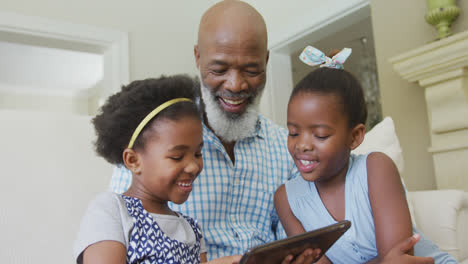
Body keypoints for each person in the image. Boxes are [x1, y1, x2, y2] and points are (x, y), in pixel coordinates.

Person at [111, 1, 453, 263]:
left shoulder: (285, 148)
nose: (236, 84)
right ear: (198, 58)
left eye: (251, 69)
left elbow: (340, 205)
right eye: (220, 68)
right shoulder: (152, 145)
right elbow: (124, 235)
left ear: (266, 62)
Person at [274, 46, 457, 264]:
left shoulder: (376, 169)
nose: (302, 145)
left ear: (355, 137)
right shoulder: (287, 199)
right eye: (293, 132)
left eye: (320, 135)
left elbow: (398, 260)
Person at [74, 75, 238, 264]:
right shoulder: (112, 211)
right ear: (133, 160)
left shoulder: (191, 229)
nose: (193, 166)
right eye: (177, 157)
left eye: (198, 153)